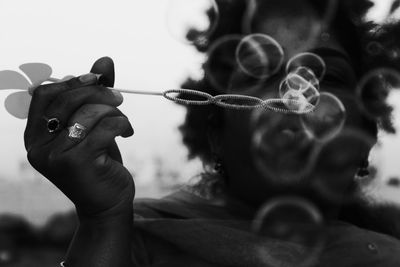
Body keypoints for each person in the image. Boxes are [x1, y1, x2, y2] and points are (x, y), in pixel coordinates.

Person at [24, 0, 400, 266]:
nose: (295, 96)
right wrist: (102, 222)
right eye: (263, 72)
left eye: (328, 77)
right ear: (218, 134)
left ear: (365, 138)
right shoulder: (130, 244)